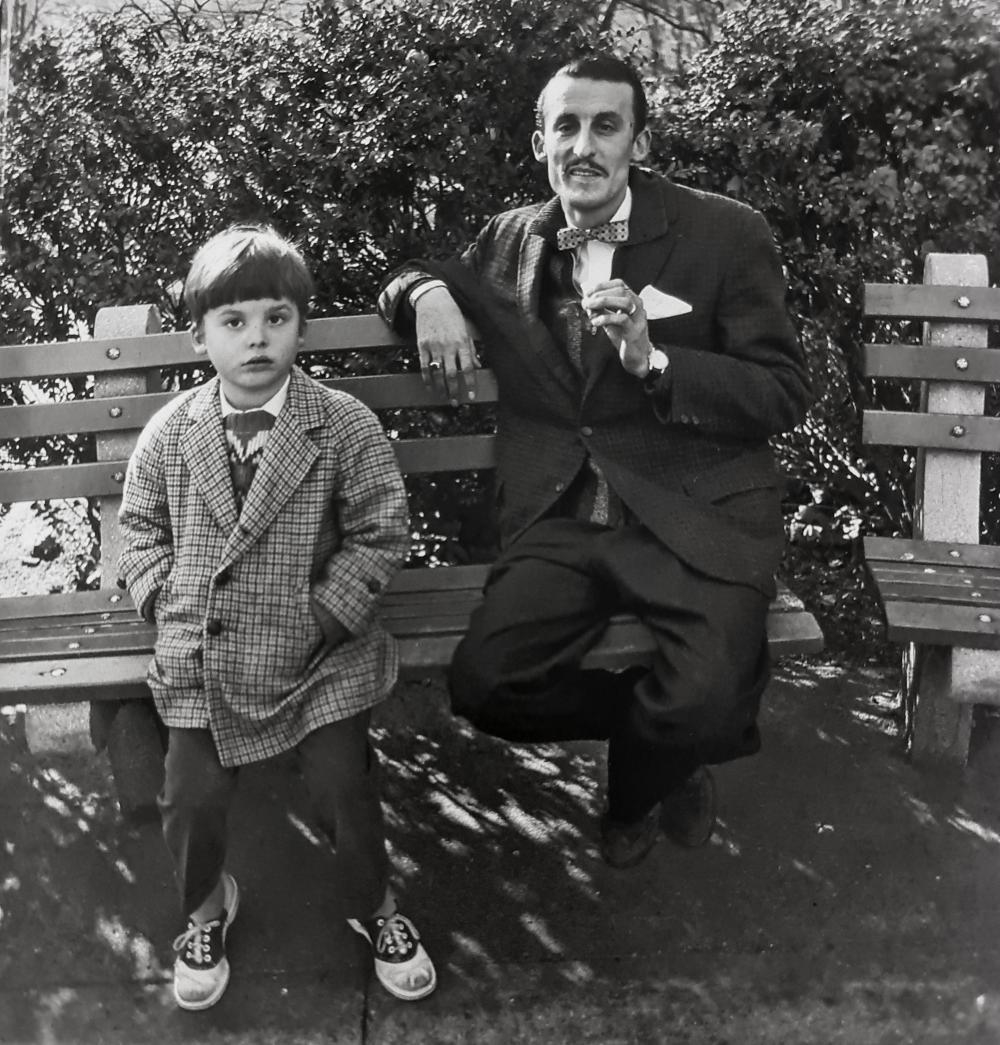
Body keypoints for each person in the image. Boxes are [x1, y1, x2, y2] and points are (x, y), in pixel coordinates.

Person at [378, 54, 812, 870]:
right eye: (566, 126)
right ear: (541, 140)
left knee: (710, 699)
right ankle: (662, 747)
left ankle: (636, 787)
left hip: (694, 508)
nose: (583, 146)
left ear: (638, 143)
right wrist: (425, 297)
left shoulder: (725, 232)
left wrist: (657, 365)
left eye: (605, 126)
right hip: (564, 514)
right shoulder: (512, 237)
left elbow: (784, 391)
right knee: (485, 685)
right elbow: (420, 273)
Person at [119, 224, 436, 1010]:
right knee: (187, 796)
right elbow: (138, 530)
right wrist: (164, 601)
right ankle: (204, 906)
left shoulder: (343, 425)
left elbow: (379, 531)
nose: (256, 338)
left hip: (317, 655)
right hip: (204, 651)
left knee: (342, 782)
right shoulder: (171, 432)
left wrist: (330, 612)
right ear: (200, 337)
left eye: (275, 318)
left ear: (301, 324)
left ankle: (375, 903)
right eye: (233, 322)